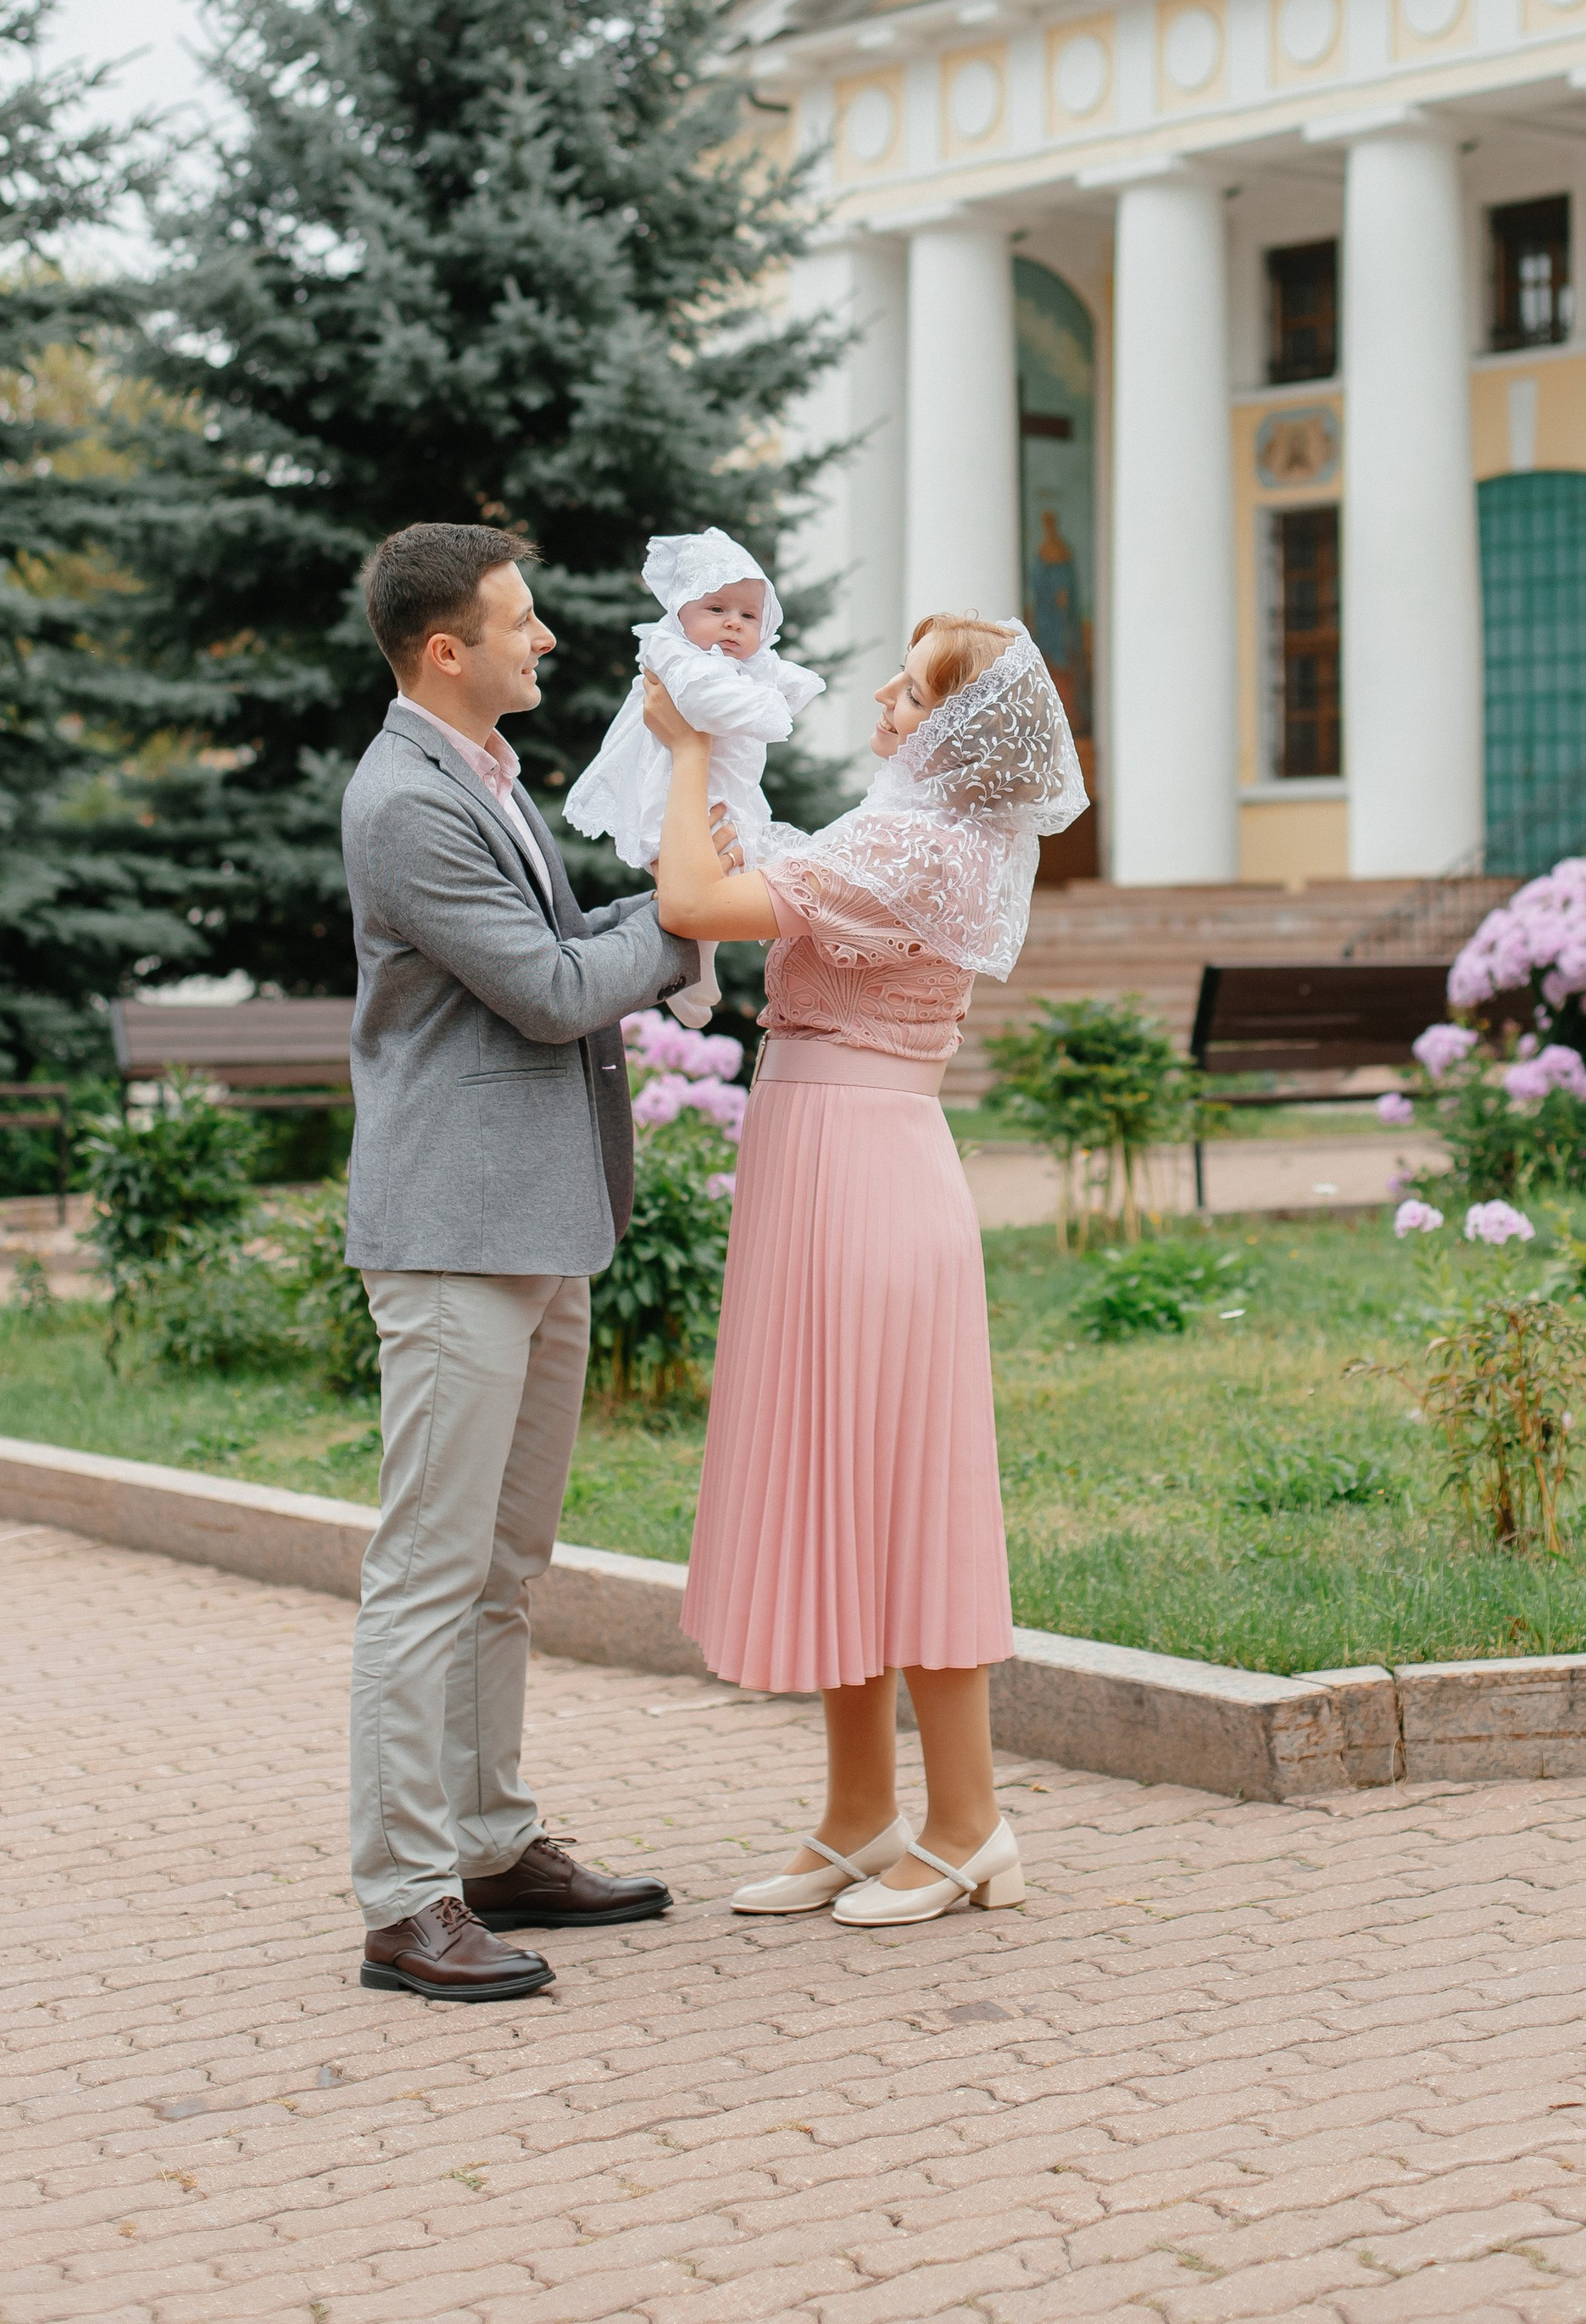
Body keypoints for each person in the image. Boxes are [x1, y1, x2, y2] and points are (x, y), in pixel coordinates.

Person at [642, 612, 1088, 1926]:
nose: (887, 701)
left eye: (915, 691)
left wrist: (685, 747)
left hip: (864, 1170)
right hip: (824, 1158)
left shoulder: (919, 845)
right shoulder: (903, 831)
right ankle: (858, 1815)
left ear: (963, 732)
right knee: (842, 1486)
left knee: (898, 1493)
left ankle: (968, 1824)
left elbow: (690, 904)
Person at [340, 521, 702, 2003]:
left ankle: (491, 1844)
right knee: (428, 1571)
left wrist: (674, 902)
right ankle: (404, 1897)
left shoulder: (482, 772)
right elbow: (551, 991)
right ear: (447, 651)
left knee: (502, 1566)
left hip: (538, 1221)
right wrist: (687, 924)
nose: (545, 636)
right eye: (520, 619)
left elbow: (555, 936)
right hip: (453, 1235)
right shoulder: (404, 802)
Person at [563, 527, 823, 1028]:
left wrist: (790, 686)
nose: (733, 623)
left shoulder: (748, 663)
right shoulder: (672, 651)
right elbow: (707, 703)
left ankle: (694, 964)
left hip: (722, 787)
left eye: (749, 616)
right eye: (716, 609)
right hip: (671, 789)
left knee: (724, 873)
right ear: (681, 609)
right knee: (694, 875)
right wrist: (771, 707)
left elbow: (787, 680)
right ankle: (690, 967)